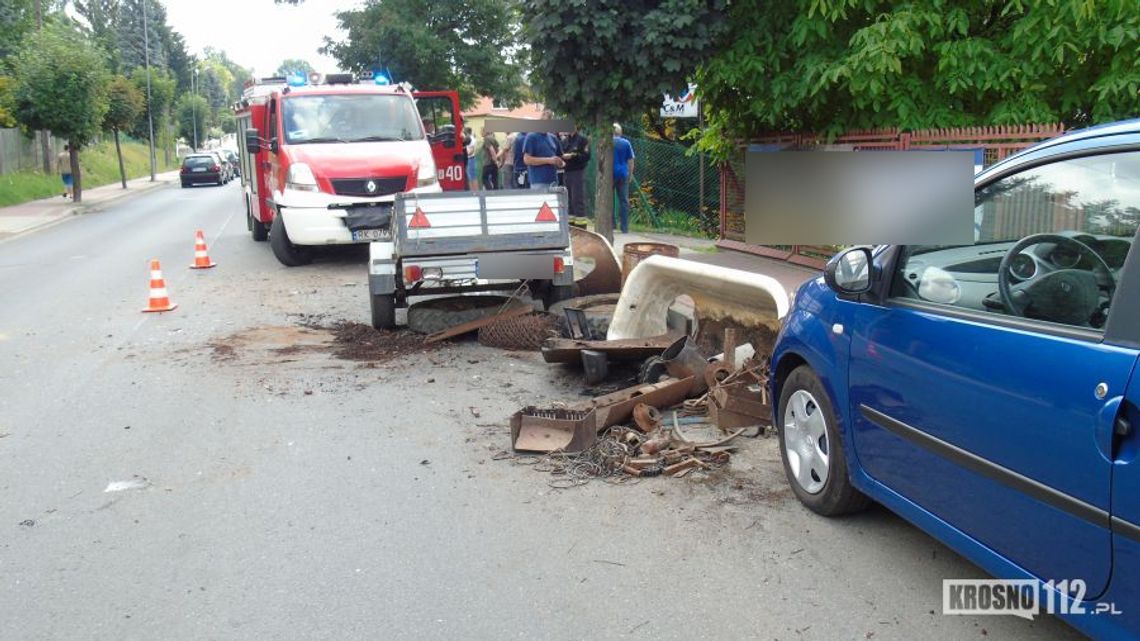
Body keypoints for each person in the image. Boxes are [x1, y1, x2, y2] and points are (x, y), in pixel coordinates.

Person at [560, 127, 591, 218]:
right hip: (566, 172)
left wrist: (573, 156)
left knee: (577, 199)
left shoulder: (582, 140)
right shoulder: (565, 141)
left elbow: (586, 156)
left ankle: (580, 225)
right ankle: (571, 227)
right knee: (568, 200)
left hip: (578, 172)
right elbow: (560, 153)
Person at [612, 123, 636, 233]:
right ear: (620, 132)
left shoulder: (608, 142)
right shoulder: (626, 143)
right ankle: (624, 227)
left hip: (610, 174)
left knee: (608, 200)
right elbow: (630, 160)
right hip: (623, 173)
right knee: (624, 201)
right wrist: (630, 174)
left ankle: (611, 224)